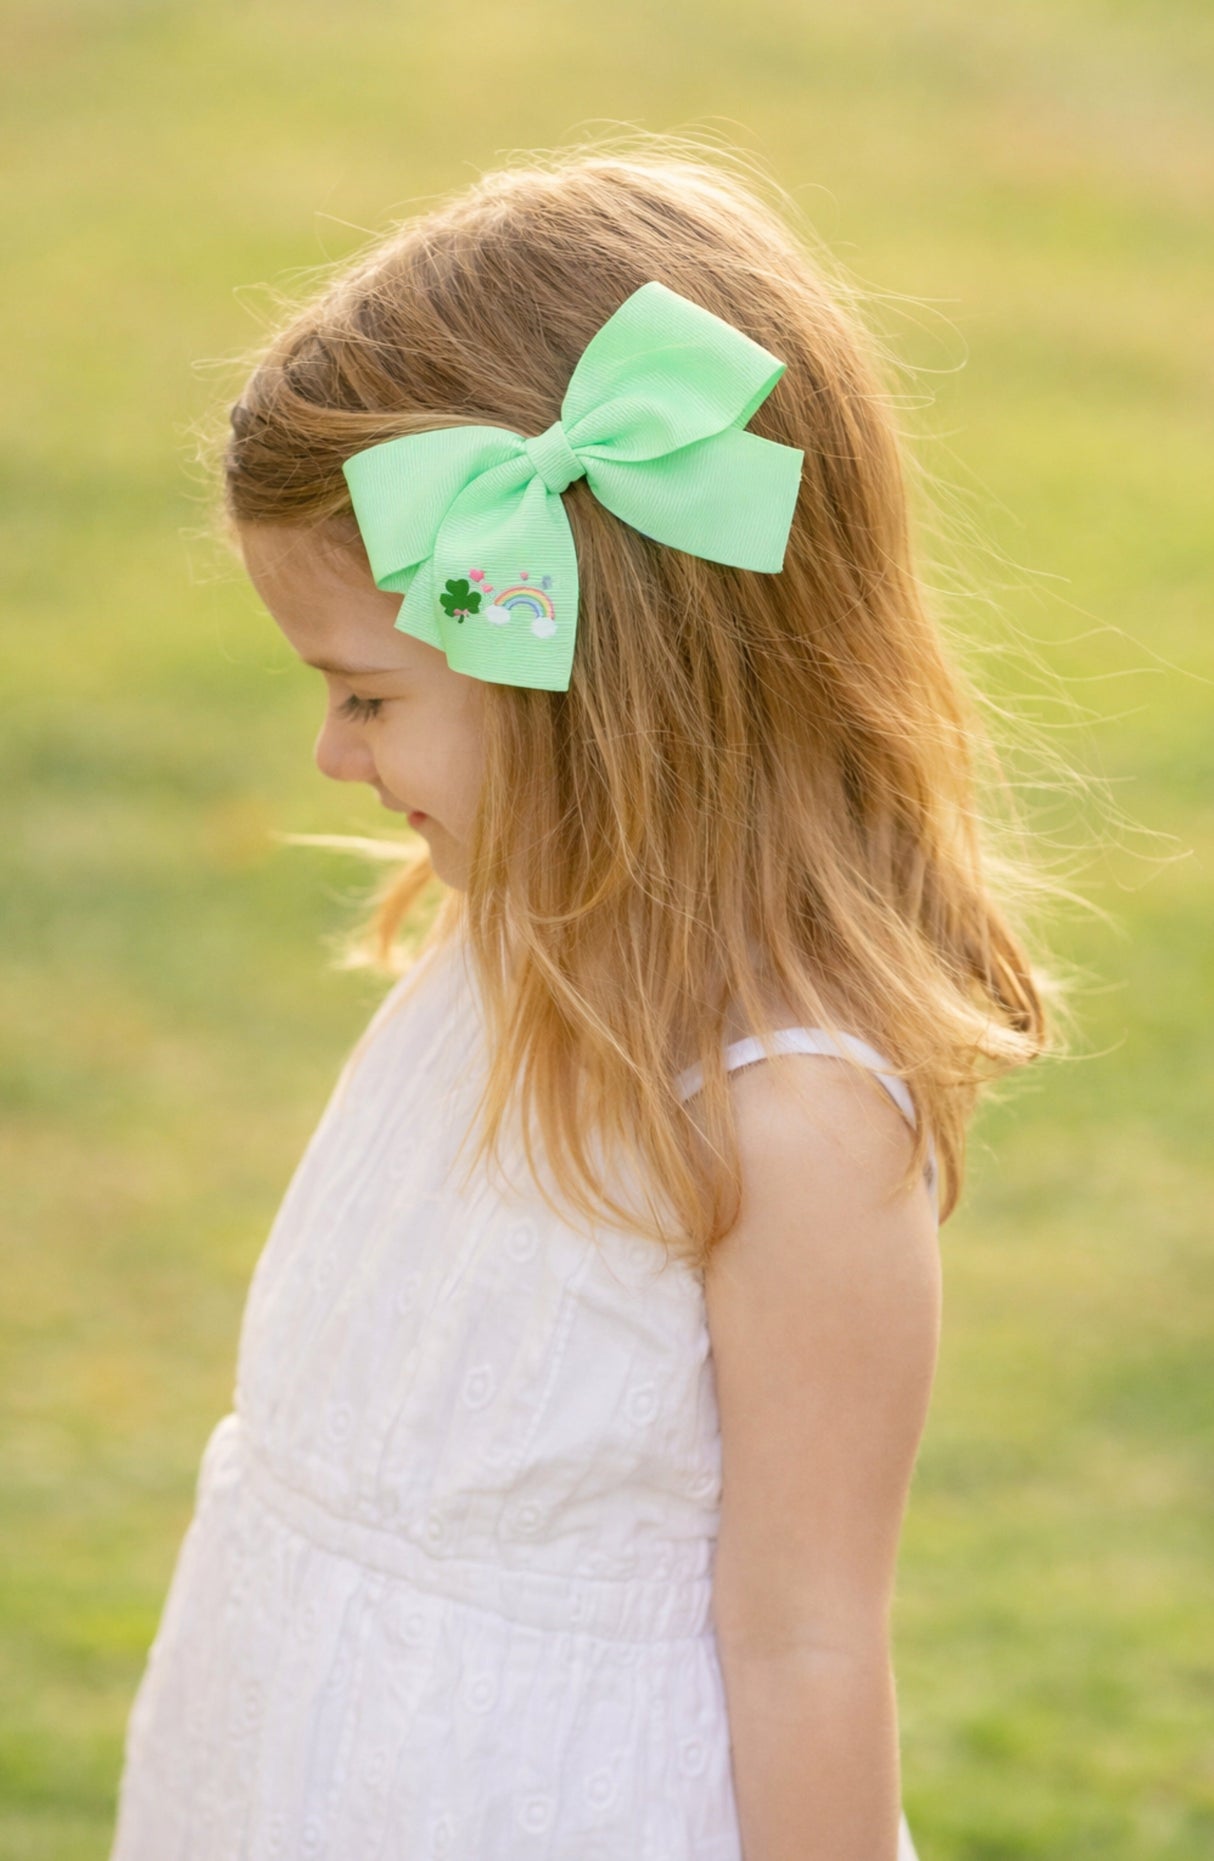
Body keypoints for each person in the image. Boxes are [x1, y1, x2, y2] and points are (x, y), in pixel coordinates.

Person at [109, 139, 1067, 1860]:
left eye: (367, 695)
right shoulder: (510, 946)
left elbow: (805, 1637)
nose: (330, 755)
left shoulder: (789, 1116)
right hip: (288, 1744)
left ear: (584, 670)